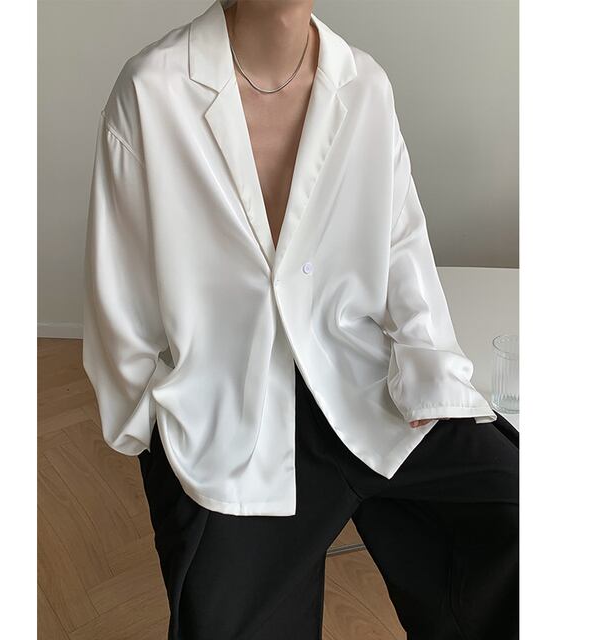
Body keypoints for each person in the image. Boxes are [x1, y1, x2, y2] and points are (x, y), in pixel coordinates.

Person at [82, 1, 519, 638]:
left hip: (365, 387)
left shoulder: (364, 84)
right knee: (229, 617)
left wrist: (429, 364)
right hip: (231, 415)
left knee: (522, 513)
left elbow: (401, 244)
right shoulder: (153, 89)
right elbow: (117, 285)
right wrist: (147, 428)